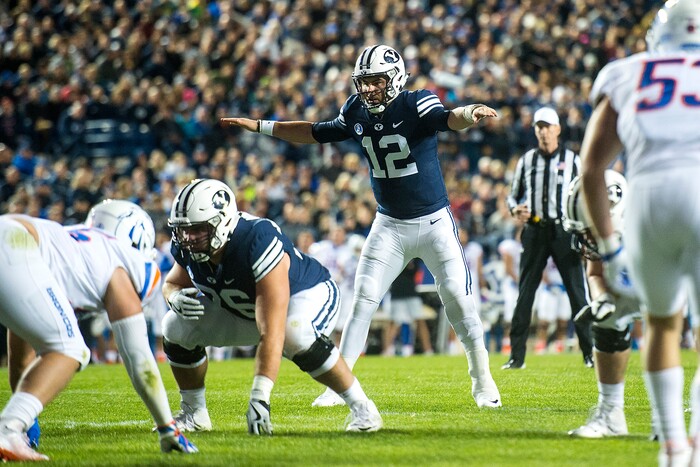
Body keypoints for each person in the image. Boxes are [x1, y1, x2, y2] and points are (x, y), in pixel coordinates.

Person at [221, 44, 502, 409]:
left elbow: (448, 119)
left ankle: (482, 381)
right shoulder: (355, 111)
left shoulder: (416, 103)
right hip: (389, 224)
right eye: (364, 82)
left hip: (434, 222)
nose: (368, 89)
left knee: (458, 299)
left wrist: (470, 111)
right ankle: (340, 386)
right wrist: (260, 126)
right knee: (362, 301)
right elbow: (315, 131)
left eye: (376, 81)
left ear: (397, 79)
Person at [161, 178, 382, 435]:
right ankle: (194, 413)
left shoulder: (257, 238)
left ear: (222, 223)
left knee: (294, 333)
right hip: (245, 309)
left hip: (308, 293)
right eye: (183, 229)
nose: (188, 237)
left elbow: (273, 328)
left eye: (198, 229)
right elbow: (172, 282)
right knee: (175, 326)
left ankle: (363, 408)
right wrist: (173, 297)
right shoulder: (190, 245)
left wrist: (259, 397)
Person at [579, 1, 700, 463]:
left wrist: (609, 248)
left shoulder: (628, 72)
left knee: (662, 324)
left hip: (650, 198)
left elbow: (592, 168)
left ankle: (672, 447)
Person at [0, 200, 196, 461]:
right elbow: (139, 358)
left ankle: (12, 426)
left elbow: (21, 350)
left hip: (11, 232)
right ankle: (7, 428)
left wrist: (28, 415)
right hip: (14, 244)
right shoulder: (123, 258)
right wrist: (166, 426)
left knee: (61, 346)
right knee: (70, 349)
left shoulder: (71, 242)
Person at [504, 106, 593, 369]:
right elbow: (513, 194)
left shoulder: (571, 159)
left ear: (557, 129)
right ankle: (516, 357)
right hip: (534, 230)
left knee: (578, 292)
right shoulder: (527, 160)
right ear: (535, 130)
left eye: (547, 127)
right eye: (538, 127)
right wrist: (514, 209)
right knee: (525, 294)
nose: (543, 132)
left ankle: (589, 353)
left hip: (564, 230)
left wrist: (583, 229)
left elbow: (582, 194)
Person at [563, 171, 643, 439]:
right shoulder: (607, 234)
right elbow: (595, 272)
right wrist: (604, 300)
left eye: (590, 229)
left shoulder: (651, 226)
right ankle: (611, 414)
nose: (586, 238)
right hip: (635, 279)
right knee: (607, 319)